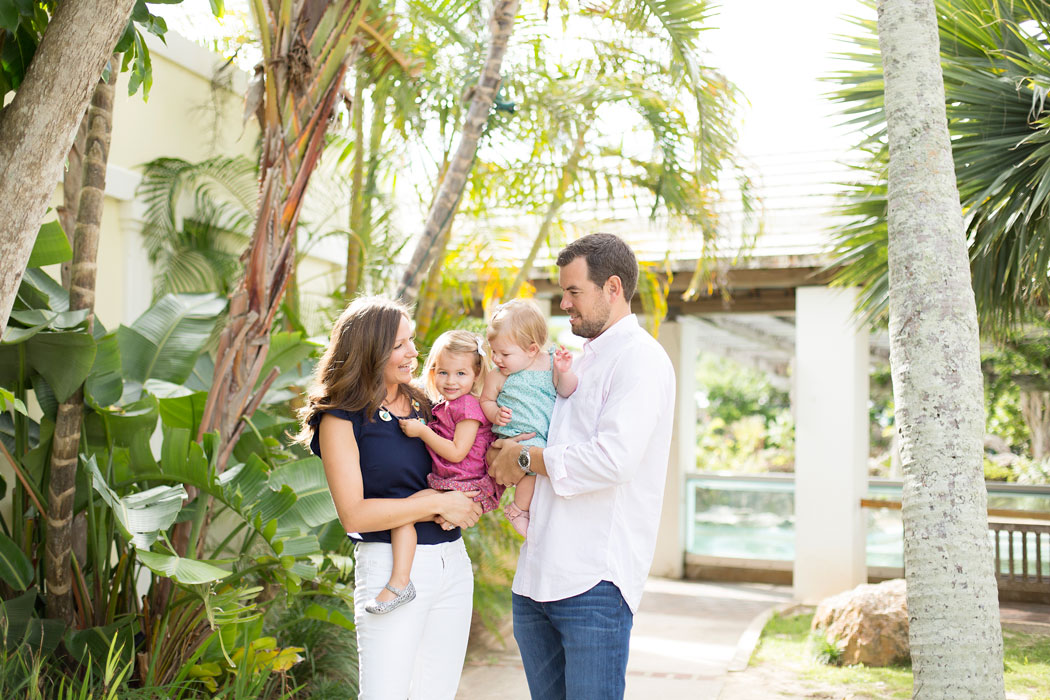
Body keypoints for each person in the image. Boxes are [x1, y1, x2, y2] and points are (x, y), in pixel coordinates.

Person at [487, 233, 676, 700]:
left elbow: (613, 459)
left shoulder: (641, 360)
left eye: (574, 292)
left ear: (612, 288)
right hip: (535, 580)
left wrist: (525, 458)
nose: (564, 303)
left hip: (594, 584)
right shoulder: (573, 360)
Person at [297, 296, 483, 700]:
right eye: (400, 344)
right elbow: (354, 515)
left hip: (452, 562)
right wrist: (437, 503)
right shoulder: (339, 418)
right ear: (369, 350)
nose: (414, 352)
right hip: (390, 570)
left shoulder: (425, 402)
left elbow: (470, 444)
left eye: (412, 340)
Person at [384, 330, 502, 613]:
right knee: (406, 515)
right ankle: (401, 582)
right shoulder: (443, 405)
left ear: (476, 374)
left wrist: (422, 431)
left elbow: (457, 452)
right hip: (452, 484)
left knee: (404, 513)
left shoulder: (470, 406)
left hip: (465, 484)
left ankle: (399, 583)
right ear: (433, 371)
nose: (450, 381)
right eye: (443, 372)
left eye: (461, 373)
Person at [479, 298, 577, 535]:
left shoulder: (550, 363)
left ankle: (521, 508)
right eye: (494, 351)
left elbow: (567, 390)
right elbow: (486, 400)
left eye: (504, 353)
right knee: (531, 471)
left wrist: (564, 372)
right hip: (515, 435)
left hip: (543, 437)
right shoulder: (499, 375)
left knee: (537, 467)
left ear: (532, 349)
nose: (497, 359)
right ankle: (518, 510)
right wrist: (495, 414)